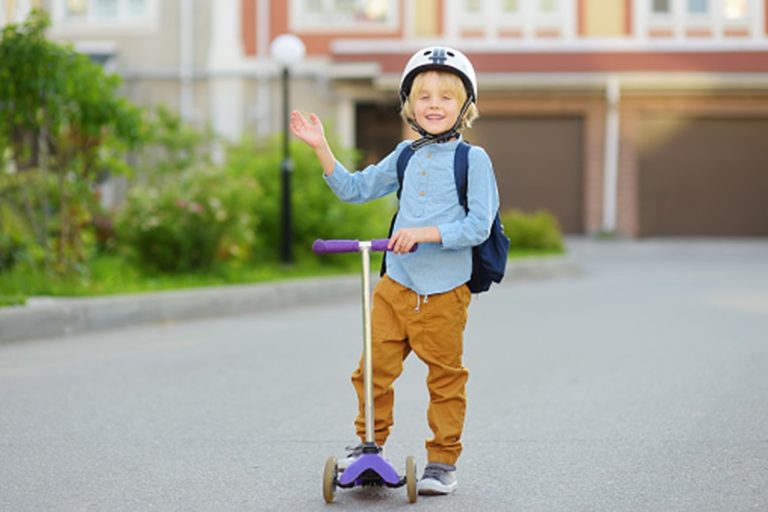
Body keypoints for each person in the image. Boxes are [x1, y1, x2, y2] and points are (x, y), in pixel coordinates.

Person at [290, 47, 499, 496]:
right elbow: (354, 189)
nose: (434, 104)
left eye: (446, 96)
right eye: (423, 96)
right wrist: (321, 147)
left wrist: (423, 233)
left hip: (444, 292)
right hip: (395, 285)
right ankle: (370, 445)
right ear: (409, 105)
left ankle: (442, 462)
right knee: (372, 371)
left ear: (465, 106)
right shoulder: (405, 154)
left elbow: (478, 226)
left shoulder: (473, 161)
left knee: (445, 378)